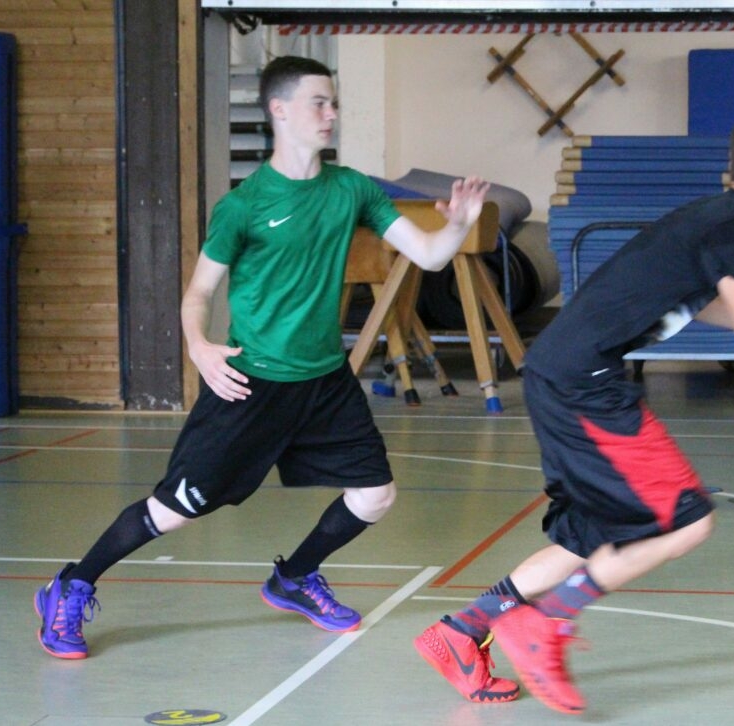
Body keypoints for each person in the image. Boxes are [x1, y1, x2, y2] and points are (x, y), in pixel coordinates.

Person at [34, 55, 490, 660]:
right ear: (279, 110)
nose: (330, 114)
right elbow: (199, 293)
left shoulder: (352, 188)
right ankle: (72, 584)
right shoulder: (243, 206)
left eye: (333, 103)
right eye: (318, 102)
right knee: (174, 510)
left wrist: (458, 225)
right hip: (250, 386)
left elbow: (429, 255)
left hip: (325, 381)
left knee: (375, 495)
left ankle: (294, 577)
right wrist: (199, 347)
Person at [414, 107, 734, 713]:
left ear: (733, 166)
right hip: (584, 382)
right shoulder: (730, 226)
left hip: (558, 373)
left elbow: (710, 303)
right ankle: (545, 623)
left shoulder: (710, 219)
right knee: (686, 521)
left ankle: (461, 632)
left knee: (589, 537)